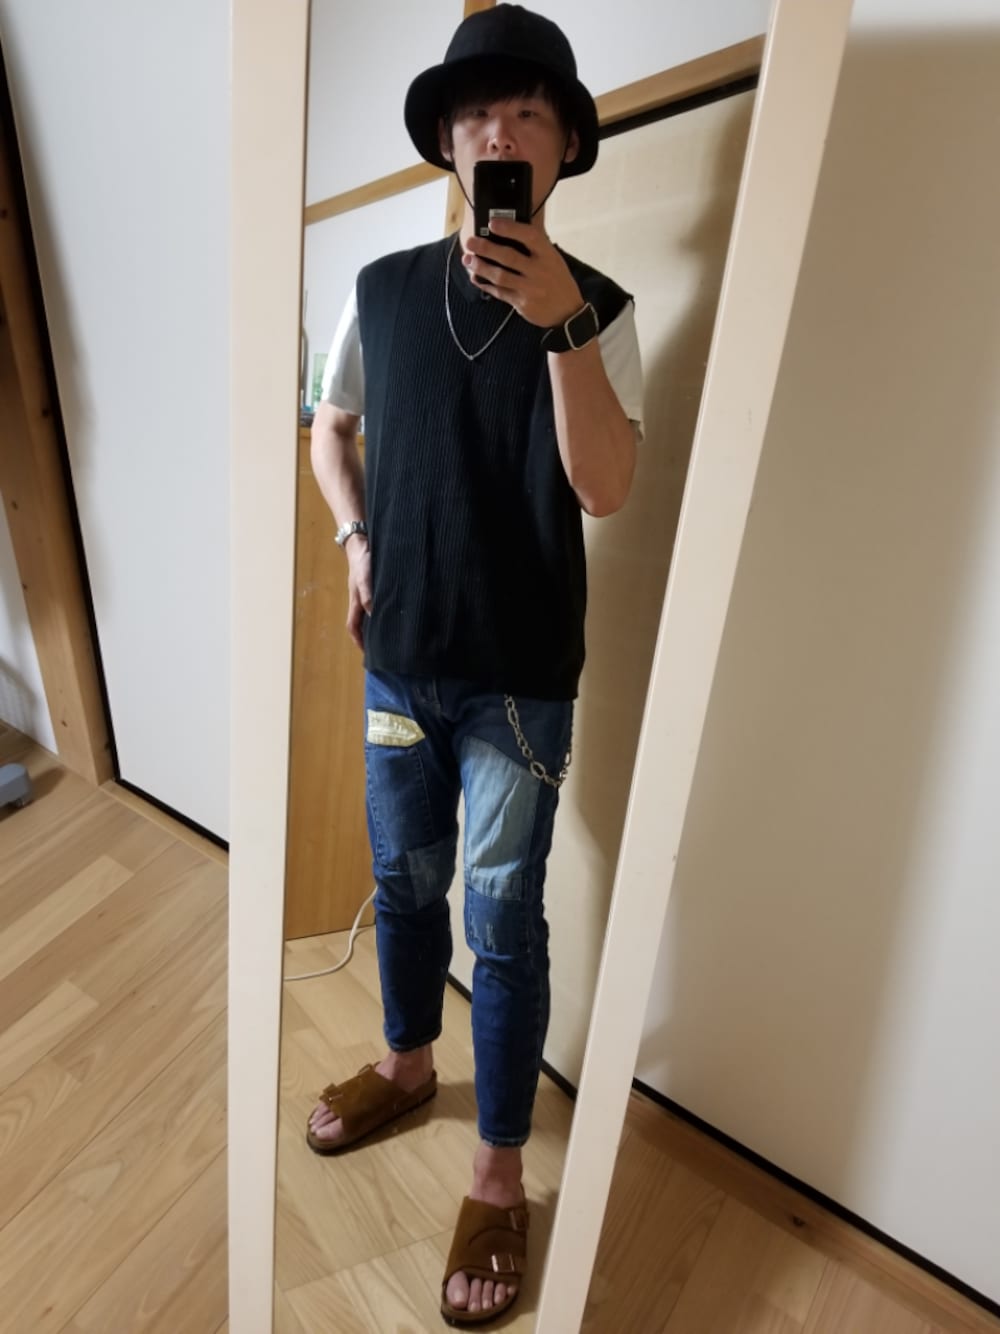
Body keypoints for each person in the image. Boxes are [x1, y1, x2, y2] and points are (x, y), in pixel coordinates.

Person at [305, 5, 643, 1324]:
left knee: (501, 919)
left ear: (562, 149)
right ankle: (406, 1064)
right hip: (398, 661)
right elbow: (330, 428)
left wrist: (564, 329)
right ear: (448, 142)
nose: (499, 132)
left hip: (519, 682)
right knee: (404, 883)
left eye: (528, 114)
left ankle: (498, 1171)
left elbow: (604, 488)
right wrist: (355, 541)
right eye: (476, 113)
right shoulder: (380, 288)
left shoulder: (602, 307)